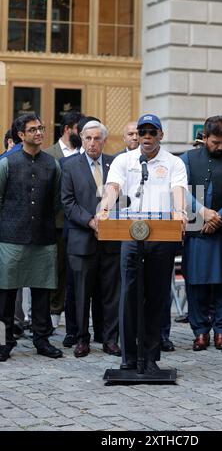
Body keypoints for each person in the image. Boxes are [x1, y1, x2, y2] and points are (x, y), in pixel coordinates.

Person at [99, 113, 187, 372]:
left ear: (161, 135)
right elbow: (113, 187)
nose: (146, 137)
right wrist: (104, 208)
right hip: (130, 234)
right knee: (128, 296)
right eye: (142, 132)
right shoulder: (124, 160)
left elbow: (178, 190)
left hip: (162, 236)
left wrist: (180, 211)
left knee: (158, 297)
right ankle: (128, 356)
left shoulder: (173, 163)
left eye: (152, 132)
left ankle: (150, 356)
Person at [0, 112, 62, 362]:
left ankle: (42, 340)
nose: (39, 132)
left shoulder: (52, 164)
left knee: (42, 292)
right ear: (21, 135)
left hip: (44, 238)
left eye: (41, 128)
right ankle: (4, 342)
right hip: (10, 237)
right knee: (5, 294)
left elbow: (57, 201)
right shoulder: (7, 163)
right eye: (33, 129)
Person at [61, 121, 121, 358]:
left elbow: (121, 199)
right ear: (82, 139)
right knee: (81, 294)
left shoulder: (114, 164)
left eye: (97, 139)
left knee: (110, 294)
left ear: (104, 141)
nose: (92, 143)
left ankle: (110, 340)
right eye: (88, 138)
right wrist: (91, 221)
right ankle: (81, 339)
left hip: (111, 241)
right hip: (82, 239)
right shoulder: (69, 166)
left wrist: (107, 223)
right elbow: (67, 202)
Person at [181, 115, 222, 351]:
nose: (221, 147)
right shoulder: (188, 157)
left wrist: (218, 216)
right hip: (197, 228)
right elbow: (182, 190)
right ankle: (200, 332)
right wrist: (203, 212)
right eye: (216, 142)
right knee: (196, 282)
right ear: (204, 137)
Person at [45, 111, 83, 330]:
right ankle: (53, 313)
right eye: (80, 128)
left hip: (82, 223)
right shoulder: (50, 154)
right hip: (58, 223)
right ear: (68, 129)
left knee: (78, 271)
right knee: (57, 270)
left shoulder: (85, 152)